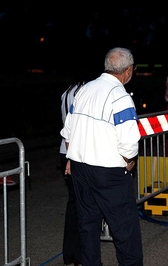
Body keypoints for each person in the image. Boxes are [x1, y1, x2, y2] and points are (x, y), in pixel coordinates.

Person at [60, 47, 143, 266]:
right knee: (124, 228)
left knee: (87, 225)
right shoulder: (120, 96)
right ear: (128, 71)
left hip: (80, 168)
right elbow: (129, 142)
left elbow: (68, 131)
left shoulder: (84, 90)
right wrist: (129, 161)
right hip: (109, 173)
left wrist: (72, 158)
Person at [59, 75, 85, 266]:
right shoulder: (83, 91)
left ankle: (70, 253)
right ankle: (79, 253)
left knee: (74, 204)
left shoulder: (67, 91)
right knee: (83, 206)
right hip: (77, 151)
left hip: (65, 149)